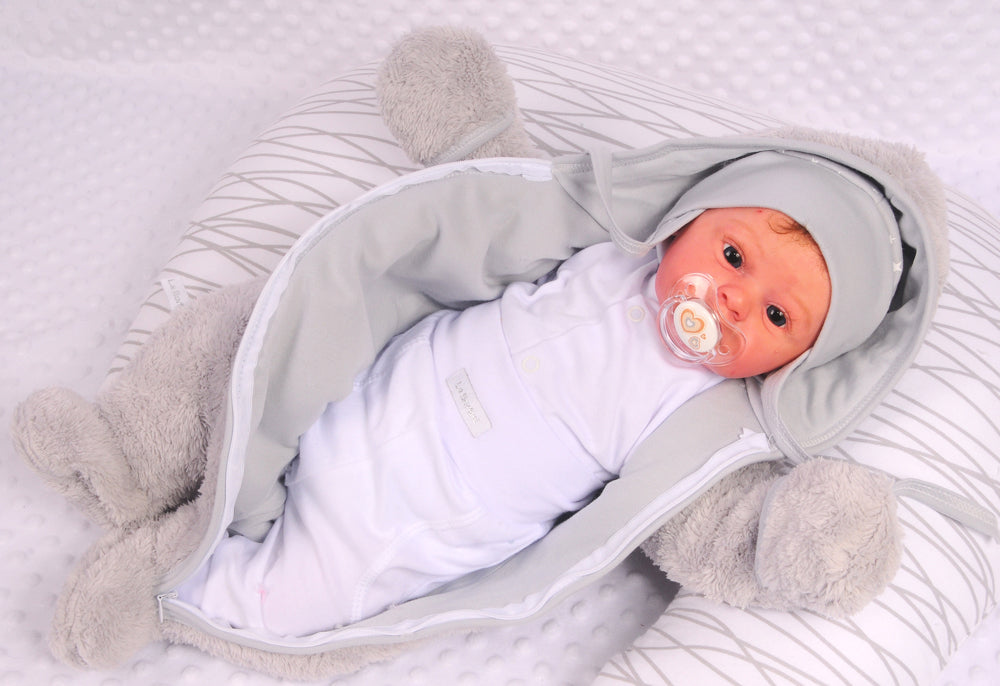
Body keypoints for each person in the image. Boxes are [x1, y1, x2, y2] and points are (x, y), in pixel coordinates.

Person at [178, 203, 835, 638]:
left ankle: (166, 583)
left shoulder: (706, 404)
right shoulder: (619, 248)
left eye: (777, 316)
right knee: (248, 403)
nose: (735, 300)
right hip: (387, 386)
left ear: (796, 361)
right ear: (688, 222)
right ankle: (185, 484)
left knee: (280, 602)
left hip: (425, 511)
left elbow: (691, 505)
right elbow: (505, 218)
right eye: (733, 257)